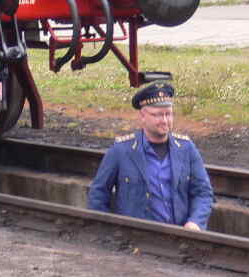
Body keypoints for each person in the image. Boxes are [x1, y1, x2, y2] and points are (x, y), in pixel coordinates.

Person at [87, 81, 212, 230]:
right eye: (157, 115)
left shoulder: (186, 148)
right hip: (134, 238)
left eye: (168, 114)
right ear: (142, 116)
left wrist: (195, 222)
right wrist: (108, 232)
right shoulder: (121, 151)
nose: (164, 121)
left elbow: (203, 193)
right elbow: (98, 194)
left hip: (180, 236)